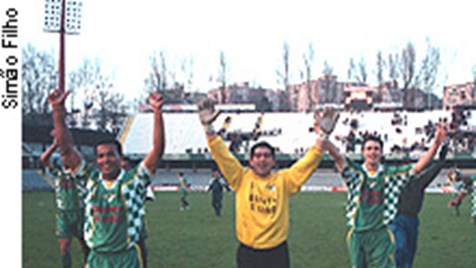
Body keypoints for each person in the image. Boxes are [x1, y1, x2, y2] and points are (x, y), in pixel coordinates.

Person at [197, 98, 338, 268]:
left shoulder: (284, 180)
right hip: (248, 253)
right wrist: (208, 129)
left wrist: (323, 137)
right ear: (250, 161)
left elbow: (308, 162)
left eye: (266, 156)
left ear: (273, 161)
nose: (262, 159)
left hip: (277, 254)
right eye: (257, 156)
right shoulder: (240, 178)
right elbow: (222, 156)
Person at [48, 89, 165, 268]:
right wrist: (57, 111)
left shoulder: (133, 181)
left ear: (120, 157)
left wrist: (157, 112)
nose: (105, 160)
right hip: (97, 259)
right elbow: (67, 150)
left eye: (110, 155)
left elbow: (157, 150)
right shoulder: (90, 181)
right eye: (101, 156)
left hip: (125, 259)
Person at [324, 112, 447, 268]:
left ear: (381, 152)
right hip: (357, 234)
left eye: (376, 149)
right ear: (363, 152)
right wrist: (324, 137)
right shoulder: (356, 173)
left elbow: (417, 167)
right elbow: (338, 157)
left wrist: (435, 144)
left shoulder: (390, 175)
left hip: (381, 234)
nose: (372, 152)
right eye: (368, 148)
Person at [390, 141, 448, 268]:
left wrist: (442, 155)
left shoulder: (419, 182)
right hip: (397, 218)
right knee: (400, 247)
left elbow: (435, 169)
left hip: (413, 219)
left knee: (410, 250)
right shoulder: (395, 181)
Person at [39, 135, 89, 268]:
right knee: (64, 246)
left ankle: (89, 265)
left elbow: (80, 161)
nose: (64, 158)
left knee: (85, 245)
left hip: (80, 213)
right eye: (62, 155)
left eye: (66, 155)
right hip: (63, 214)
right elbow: (43, 160)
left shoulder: (80, 173)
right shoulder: (57, 174)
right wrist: (55, 145)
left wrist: (69, 147)